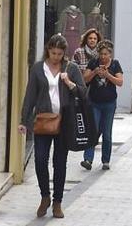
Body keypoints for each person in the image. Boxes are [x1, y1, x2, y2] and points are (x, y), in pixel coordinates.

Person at [18, 34, 86, 218]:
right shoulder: (38, 69)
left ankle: (57, 202)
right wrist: (23, 120)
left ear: (64, 53)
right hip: (43, 120)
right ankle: (44, 196)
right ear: (48, 50)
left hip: (64, 121)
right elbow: (30, 95)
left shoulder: (70, 68)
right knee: (40, 159)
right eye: (53, 52)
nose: (56, 57)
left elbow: (82, 91)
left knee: (60, 162)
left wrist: (68, 82)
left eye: (59, 53)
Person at [81, 40, 123, 171]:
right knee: (93, 130)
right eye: (101, 54)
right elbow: (85, 79)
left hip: (109, 104)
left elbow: (120, 82)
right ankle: (88, 159)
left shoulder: (115, 64)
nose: (103, 57)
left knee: (107, 132)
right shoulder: (93, 63)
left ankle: (105, 160)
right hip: (95, 103)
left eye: (106, 54)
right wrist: (94, 72)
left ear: (110, 54)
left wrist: (107, 75)